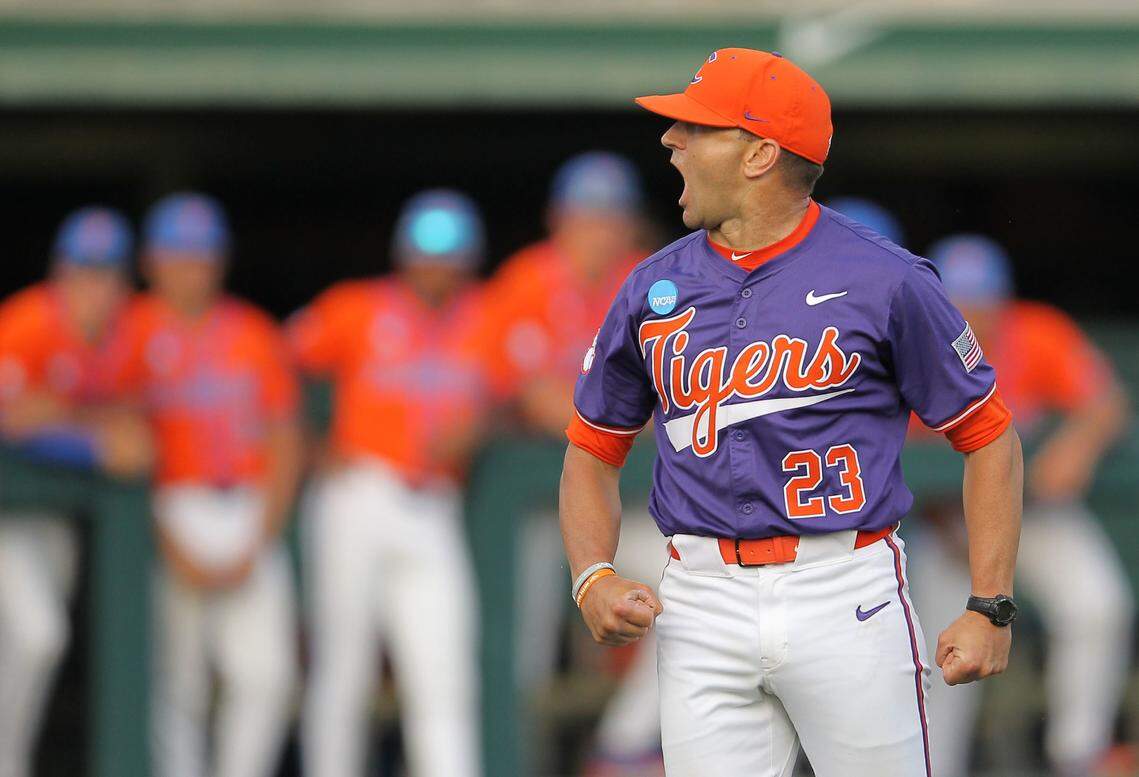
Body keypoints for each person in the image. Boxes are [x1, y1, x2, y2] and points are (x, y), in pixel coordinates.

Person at [559, 48, 1024, 776]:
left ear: (760, 154)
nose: (672, 141)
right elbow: (591, 448)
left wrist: (990, 603)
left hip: (843, 586)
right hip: (701, 593)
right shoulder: (652, 288)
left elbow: (989, 435)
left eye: (697, 128)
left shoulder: (886, 278)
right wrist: (592, 572)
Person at [906, 234, 1134, 777]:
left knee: (1098, 605)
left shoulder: (1035, 330)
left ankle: (1077, 755)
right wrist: (954, 535)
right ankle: (936, 767)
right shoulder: (913, 345)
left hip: (1037, 517)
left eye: (983, 303)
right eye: (960, 303)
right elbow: (904, 466)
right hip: (948, 528)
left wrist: (1077, 442)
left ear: (1003, 302)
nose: (973, 316)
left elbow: (1107, 404)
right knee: (943, 647)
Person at [291, 190, 490, 777]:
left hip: (434, 505)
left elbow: (531, 389)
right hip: (359, 496)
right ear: (404, 255)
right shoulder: (357, 307)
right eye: (425, 254)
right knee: (343, 669)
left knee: (445, 672)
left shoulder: (486, 315)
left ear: (467, 260)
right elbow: (273, 365)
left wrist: (482, 425)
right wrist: (309, 445)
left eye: (448, 256)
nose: (435, 268)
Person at [109, 192, 302, 777]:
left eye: (202, 255)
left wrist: (260, 537)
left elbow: (285, 439)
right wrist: (166, 541)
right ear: (152, 261)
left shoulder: (251, 331)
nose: (192, 268)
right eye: (179, 255)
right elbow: (113, 437)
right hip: (170, 506)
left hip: (247, 506)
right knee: (176, 682)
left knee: (268, 675)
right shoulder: (127, 332)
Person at [487, 151, 665, 776]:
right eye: (586, 216)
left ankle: (621, 749)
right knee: (519, 650)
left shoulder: (648, 280)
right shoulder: (523, 280)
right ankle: (516, 762)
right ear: (558, 219)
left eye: (610, 217)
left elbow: (667, 394)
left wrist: (608, 413)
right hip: (529, 511)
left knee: (682, 602)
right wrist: (616, 415)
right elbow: (528, 397)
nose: (598, 230)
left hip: (625, 504)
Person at [0, 206, 151, 777]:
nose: (96, 286)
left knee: (36, 643)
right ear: (60, 272)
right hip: (9, 514)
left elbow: (137, 428)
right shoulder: (25, 321)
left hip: (57, 518)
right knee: (38, 634)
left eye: (108, 272)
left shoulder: (130, 336)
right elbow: (10, 418)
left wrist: (56, 415)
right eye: (84, 270)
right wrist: (89, 439)